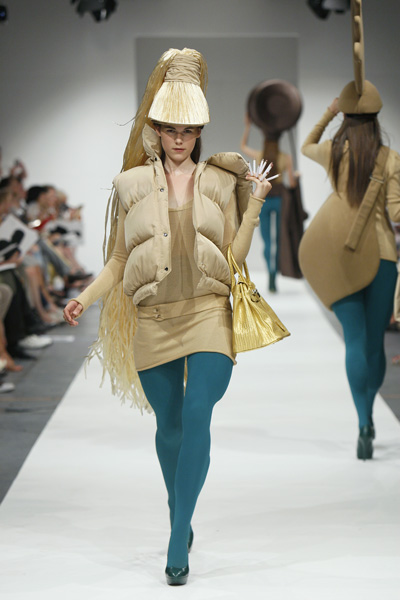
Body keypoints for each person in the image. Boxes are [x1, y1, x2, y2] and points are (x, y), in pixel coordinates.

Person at [63, 48, 272, 586]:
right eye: (171, 130)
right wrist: (85, 298)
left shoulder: (220, 181)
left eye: (189, 131)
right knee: (170, 428)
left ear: (199, 132)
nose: (180, 139)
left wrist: (255, 204)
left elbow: (234, 255)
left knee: (197, 413)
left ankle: (178, 535)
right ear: (155, 131)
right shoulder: (130, 185)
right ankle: (181, 510)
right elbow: (118, 260)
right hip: (153, 319)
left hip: (208, 313)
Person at [299, 82, 400, 460]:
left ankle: (363, 423)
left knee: (354, 342)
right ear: (375, 120)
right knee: (374, 345)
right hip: (381, 258)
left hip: (338, 254)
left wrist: (329, 113)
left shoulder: (334, 152)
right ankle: (370, 412)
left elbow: (306, 145)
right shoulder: (390, 159)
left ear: (345, 117)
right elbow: (397, 213)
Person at [241, 114, 297, 292]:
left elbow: (243, 147)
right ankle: (274, 274)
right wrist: (296, 177)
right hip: (280, 200)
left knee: (266, 241)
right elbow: (292, 183)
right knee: (279, 240)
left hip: (264, 200)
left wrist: (248, 126)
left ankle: (270, 271)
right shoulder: (285, 158)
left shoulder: (260, 156)